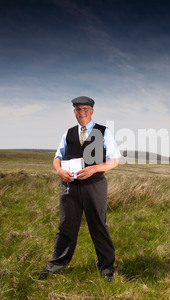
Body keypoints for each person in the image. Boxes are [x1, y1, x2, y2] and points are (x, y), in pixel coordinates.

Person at [38, 96, 121, 280]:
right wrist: (59, 171)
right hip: (70, 186)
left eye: (85, 109)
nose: (81, 112)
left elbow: (113, 161)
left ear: (91, 111)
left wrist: (93, 169)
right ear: (74, 112)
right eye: (78, 109)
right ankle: (55, 265)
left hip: (95, 186)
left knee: (98, 226)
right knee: (66, 225)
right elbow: (57, 157)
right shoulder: (68, 133)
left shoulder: (103, 132)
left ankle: (106, 268)